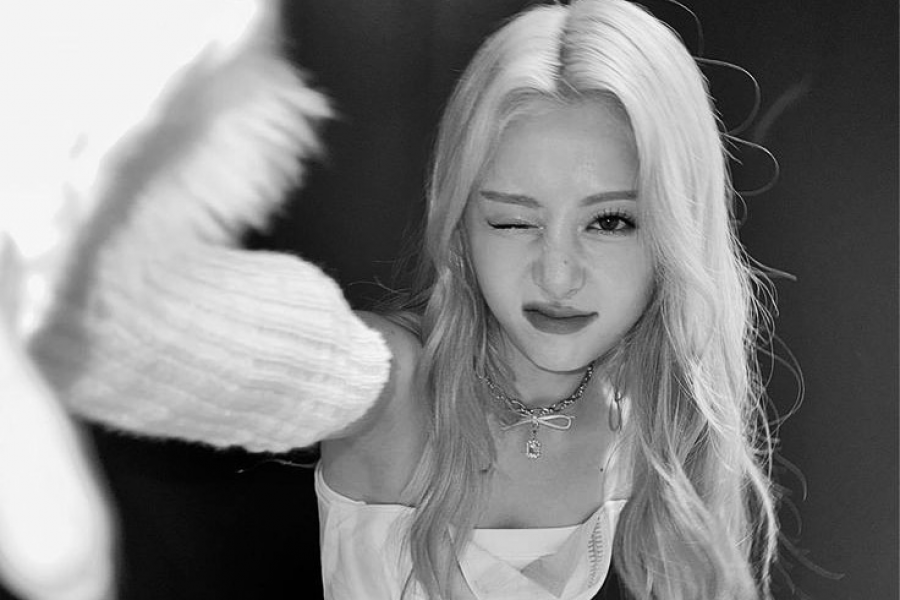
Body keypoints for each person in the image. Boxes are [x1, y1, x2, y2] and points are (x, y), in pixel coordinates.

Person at [29, 0, 779, 599]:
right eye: (512, 220)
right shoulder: (388, 385)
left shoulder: (649, 421)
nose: (557, 276)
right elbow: (174, 341)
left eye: (610, 222)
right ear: (459, 224)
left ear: (676, 228)